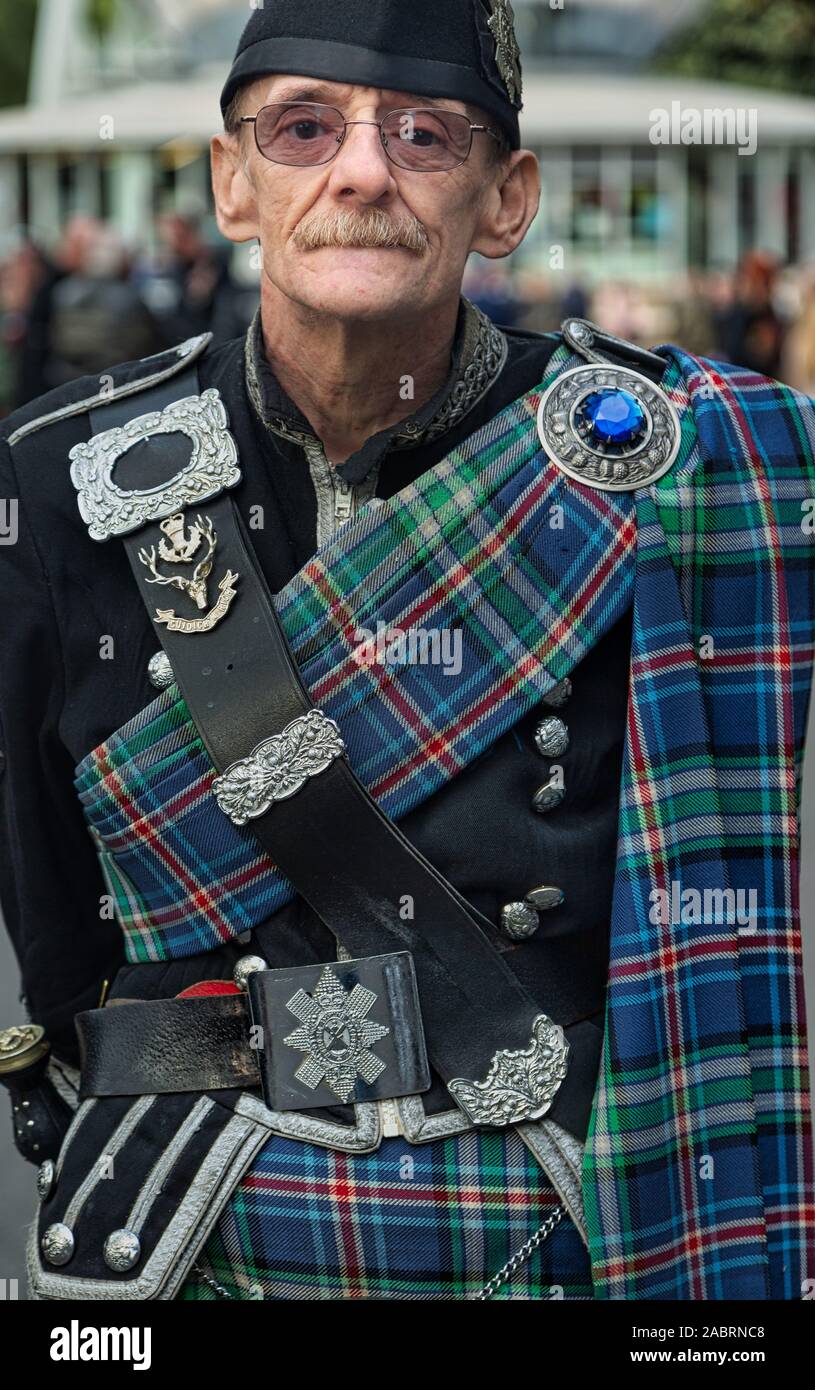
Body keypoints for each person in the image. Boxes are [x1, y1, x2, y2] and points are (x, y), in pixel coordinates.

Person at [0, 0, 813, 1303]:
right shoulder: (53, 478)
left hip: (540, 1198)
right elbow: (45, 909)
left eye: (428, 135)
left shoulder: (654, 462)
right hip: (184, 1217)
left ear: (509, 200)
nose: (363, 170)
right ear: (235, 182)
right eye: (303, 128)